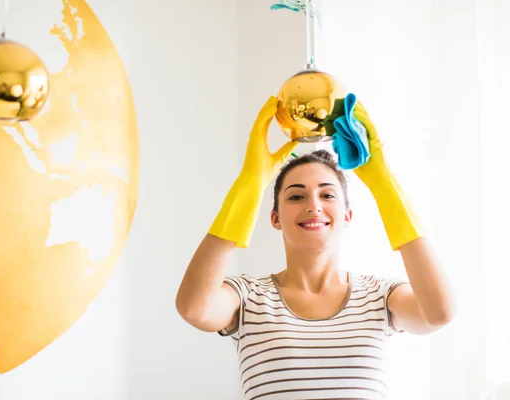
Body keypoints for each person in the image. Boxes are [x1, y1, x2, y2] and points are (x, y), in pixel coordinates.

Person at [175, 95, 456, 399]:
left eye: (328, 195)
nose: (313, 205)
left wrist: (383, 184)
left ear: (347, 215)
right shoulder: (248, 297)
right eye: (296, 197)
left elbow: (439, 312)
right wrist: (250, 184)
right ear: (275, 218)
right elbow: (194, 308)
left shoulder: (379, 296)